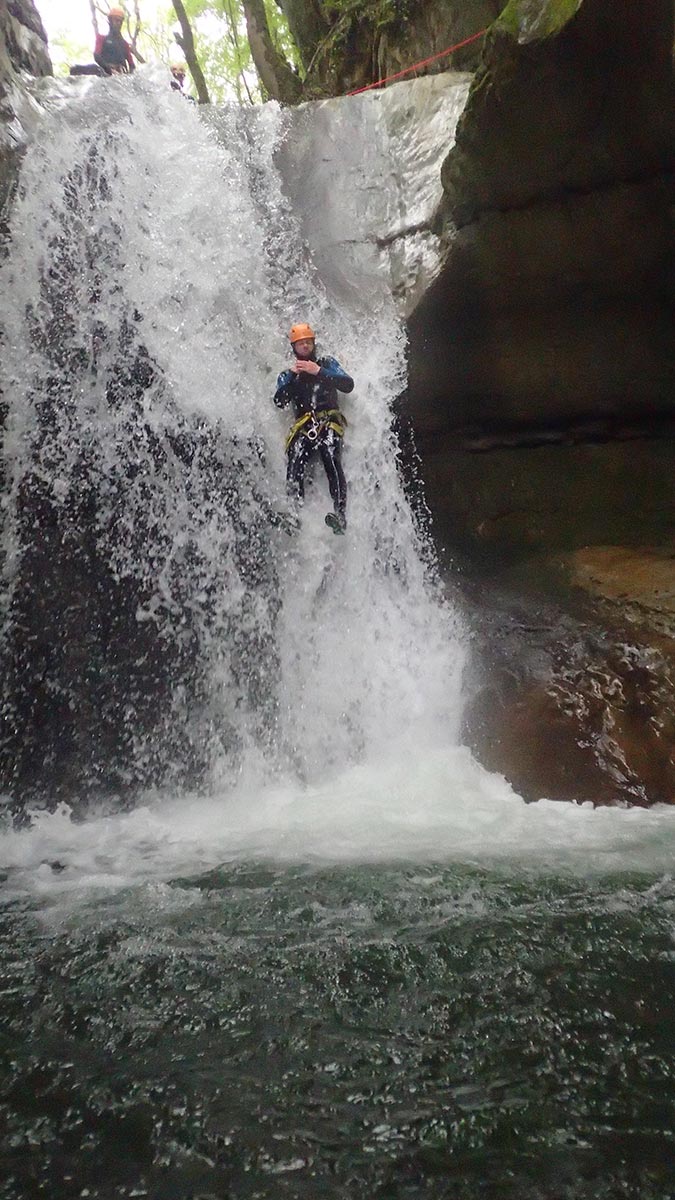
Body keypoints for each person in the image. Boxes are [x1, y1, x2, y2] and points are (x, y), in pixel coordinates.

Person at [274, 323, 354, 534]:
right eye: (301, 344)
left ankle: (340, 514)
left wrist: (318, 371)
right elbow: (280, 401)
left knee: (331, 458)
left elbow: (347, 384)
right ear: (294, 347)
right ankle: (293, 515)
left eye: (308, 342)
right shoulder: (287, 375)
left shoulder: (326, 364)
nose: (306, 346)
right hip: (304, 428)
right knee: (295, 461)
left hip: (328, 423)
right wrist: (293, 377)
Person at [70, 8, 136, 78]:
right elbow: (96, 55)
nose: (118, 23)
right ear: (110, 21)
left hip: (121, 74)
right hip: (105, 71)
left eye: (120, 21)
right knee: (75, 69)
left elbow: (131, 65)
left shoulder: (125, 44)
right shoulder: (102, 38)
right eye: (116, 20)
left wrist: (128, 75)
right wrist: (109, 69)